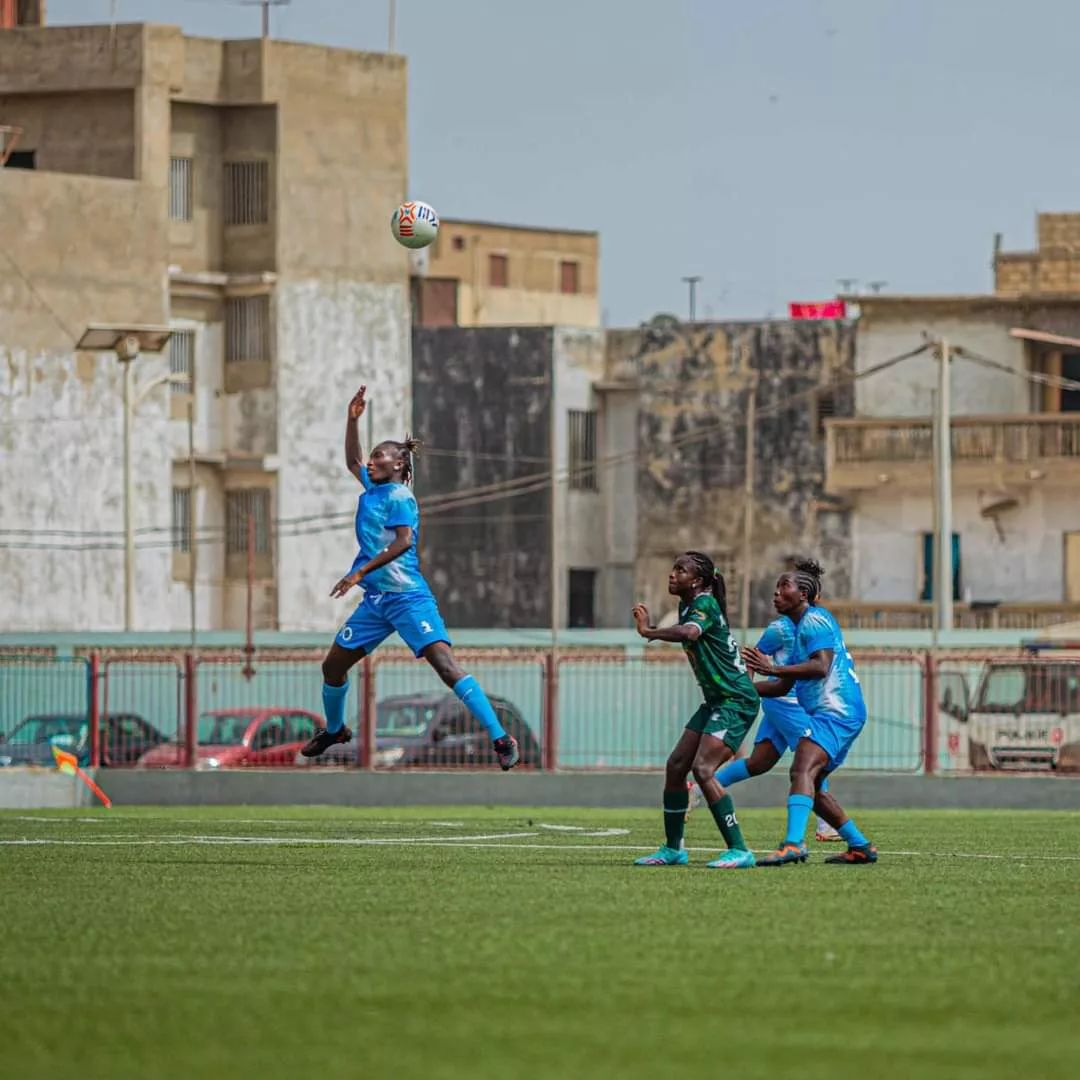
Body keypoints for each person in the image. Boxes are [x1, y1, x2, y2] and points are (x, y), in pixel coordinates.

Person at [300, 385, 520, 771]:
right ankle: (334, 730)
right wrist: (352, 419)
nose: (370, 461)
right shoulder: (373, 487)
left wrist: (360, 572)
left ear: (399, 465)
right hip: (377, 603)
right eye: (371, 456)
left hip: (407, 598)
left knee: (447, 668)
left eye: (379, 456)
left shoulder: (400, 497)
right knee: (332, 667)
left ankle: (501, 737)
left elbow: (403, 543)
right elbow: (352, 460)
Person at [741, 558, 877, 865]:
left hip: (836, 712)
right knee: (811, 783)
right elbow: (780, 686)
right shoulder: (802, 628)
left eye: (783, 586)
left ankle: (793, 845)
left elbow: (821, 666)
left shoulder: (814, 620)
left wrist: (772, 667)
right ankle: (860, 846)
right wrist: (739, 689)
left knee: (800, 770)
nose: (776, 593)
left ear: (803, 594)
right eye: (776, 587)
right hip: (837, 714)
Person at [631, 552, 760, 869]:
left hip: (736, 700)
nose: (672, 575)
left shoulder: (703, 603)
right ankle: (673, 849)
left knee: (702, 769)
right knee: (676, 766)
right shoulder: (689, 604)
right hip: (718, 700)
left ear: (699, 581)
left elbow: (690, 633)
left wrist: (650, 633)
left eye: (680, 570)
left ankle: (740, 849)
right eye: (673, 568)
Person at [714, 612, 844, 842]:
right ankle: (825, 825)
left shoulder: (816, 625)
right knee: (815, 754)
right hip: (786, 703)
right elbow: (753, 657)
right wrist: (746, 690)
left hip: (795, 703)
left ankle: (697, 789)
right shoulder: (780, 628)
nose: (779, 595)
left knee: (758, 763)